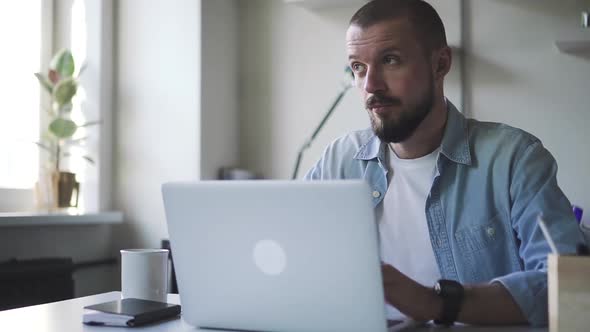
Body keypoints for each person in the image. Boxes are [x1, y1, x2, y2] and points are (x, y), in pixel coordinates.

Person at [304, 0, 585, 327]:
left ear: (440, 64)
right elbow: (294, 257)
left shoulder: (513, 159)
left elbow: (566, 288)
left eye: (390, 60)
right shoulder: (339, 161)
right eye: (358, 67)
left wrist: (434, 303)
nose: (371, 86)